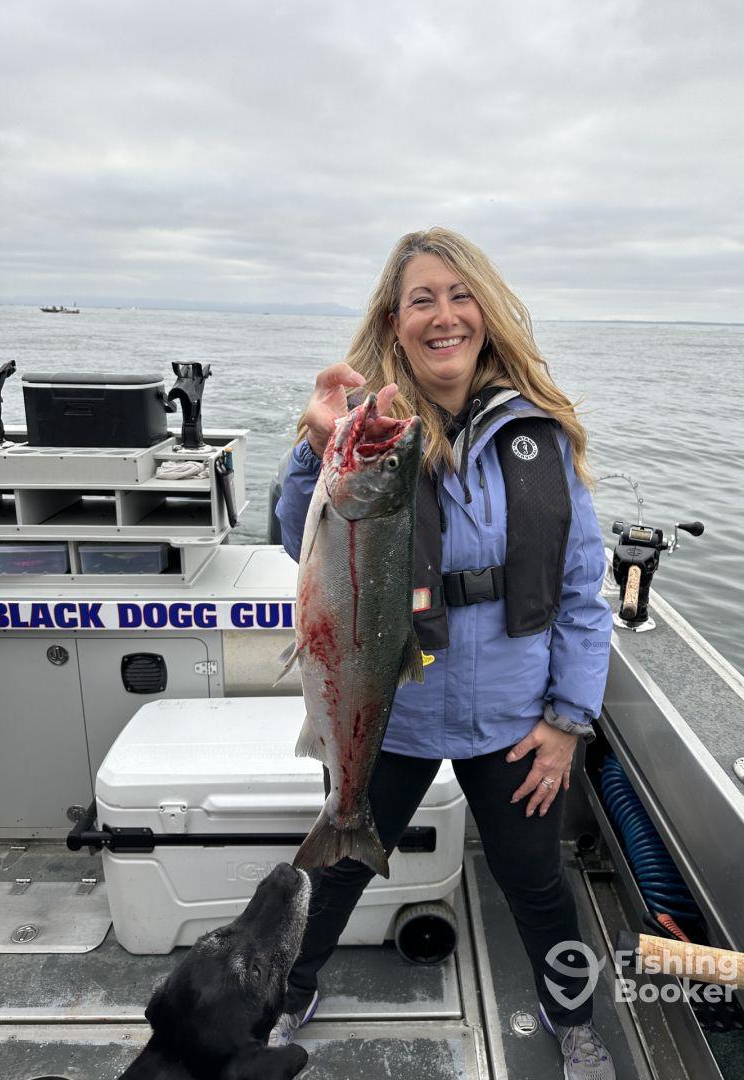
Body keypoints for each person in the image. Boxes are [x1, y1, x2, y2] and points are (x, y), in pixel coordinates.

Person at [272, 227, 615, 1080]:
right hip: (393, 711)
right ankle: (285, 994)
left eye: (460, 296)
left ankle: (572, 1019)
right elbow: (293, 539)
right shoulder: (366, 430)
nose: (443, 316)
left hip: (513, 716)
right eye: (422, 298)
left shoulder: (541, 436)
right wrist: (312, 450)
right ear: (395, 318)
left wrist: (568, 721)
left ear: (487, 315)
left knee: (535, 882)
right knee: (335, 869)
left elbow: (581, 593)